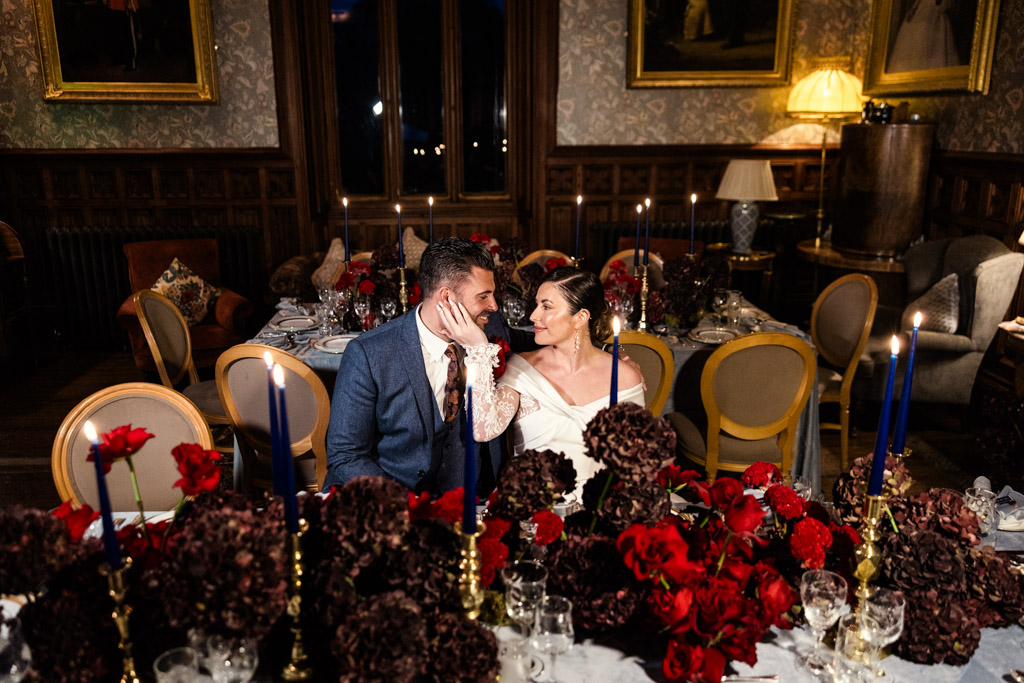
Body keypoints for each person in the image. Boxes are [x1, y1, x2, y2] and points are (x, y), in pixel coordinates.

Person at [439, 267, 645, 498]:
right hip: (533, 507)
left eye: (546, 307)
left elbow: (636, 461)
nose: (533, 316)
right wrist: (478, 349)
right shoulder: (520, 369)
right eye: (537, 304)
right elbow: (483, 429)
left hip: (602, 508)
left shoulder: (625, 377)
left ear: (580, 317)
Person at [322, 238, 508, 495]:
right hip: (391, 504)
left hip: (472, 504)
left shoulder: (492, 332)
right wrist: (403, 505)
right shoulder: (369, 354)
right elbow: (345, 454)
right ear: (446, 297)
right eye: (483, 296)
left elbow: (541, 339)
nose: (494, 306)